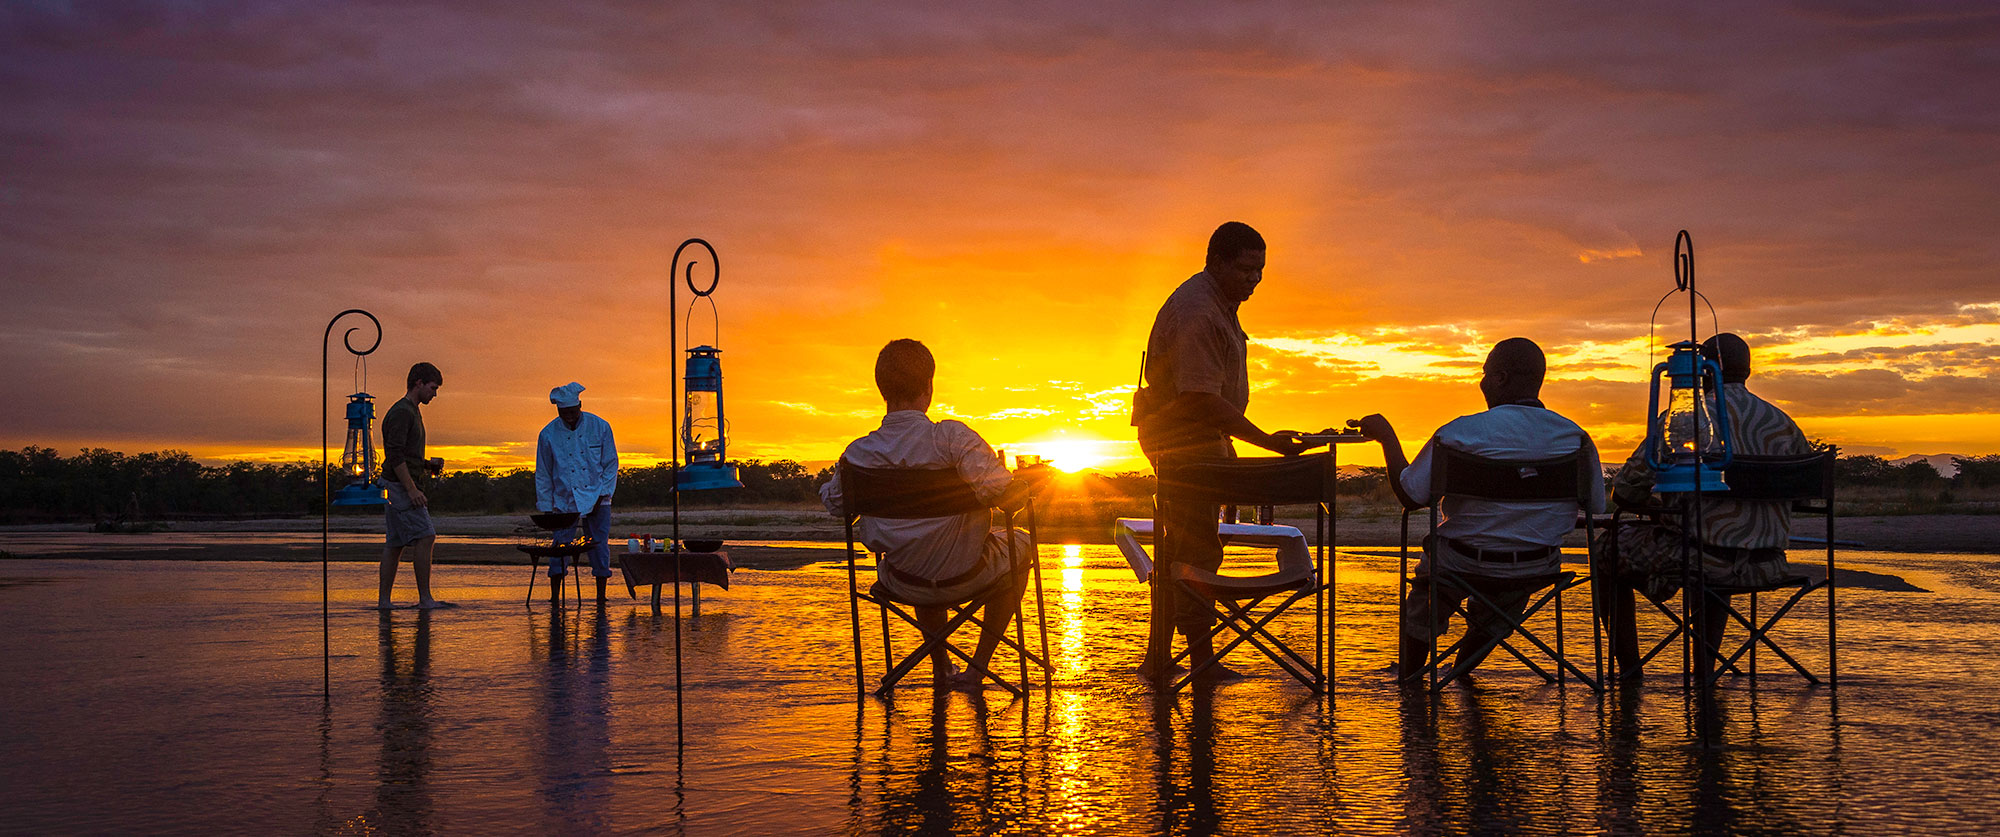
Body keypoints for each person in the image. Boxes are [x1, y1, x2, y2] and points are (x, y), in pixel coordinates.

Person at [1355, 337, 1604, 683]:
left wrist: (1387, 438)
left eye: (1485, 373)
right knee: (1504, 600)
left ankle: (1411, 680)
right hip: (1534, 566)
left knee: (1432, 586)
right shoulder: (1576, 438)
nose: (1481, 382)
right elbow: (1595, 507)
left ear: (1500, 378)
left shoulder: (1461, 433)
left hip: (1461, 562)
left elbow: (1411, 497)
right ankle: (1459, 671)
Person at [1131, 220, 1308, 681]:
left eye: (1261, 271)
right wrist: (1268, 442)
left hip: (1201, 438)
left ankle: (1170, 659)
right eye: (1246, 270)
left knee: (1189, 549)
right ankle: (1194, 662)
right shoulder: (1199, 312)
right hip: (1181, 441)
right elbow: (1200, 399)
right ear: (1216, 262)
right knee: (1195, 550)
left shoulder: (1220, 303)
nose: (1255, 281)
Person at [819, 339, 1047, 692]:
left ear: (882, 390)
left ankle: (941, 668)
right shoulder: (953, 440)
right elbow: (1008, 499)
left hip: (902, 580)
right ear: (928, 387)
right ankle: (977, 669)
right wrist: (1029, 484)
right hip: (967, 576)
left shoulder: (859, 453)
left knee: (920, 550)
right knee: (1023, 543)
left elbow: (834, 503)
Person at [1600, 332, 1814, 681]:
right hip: (1767, 564)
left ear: (1701, 369)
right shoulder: (1783, 424)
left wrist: (1657, 508)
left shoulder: (1686, 421)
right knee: (1710, 544)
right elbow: (1802, 498)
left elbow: (1624, 490)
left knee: (1606, 549)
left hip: (1699, 559)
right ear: (1747, 369)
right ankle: (1705, 672)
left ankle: (1629, 672)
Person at [535, 381, 620, 604]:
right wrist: (546, 506)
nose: (570, 417)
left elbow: (611, 463)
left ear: (580, 406)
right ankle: (555, 597)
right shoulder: (547, 434)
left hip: (597, 496)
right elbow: (544, 472)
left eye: (573, 412)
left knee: (599, 545)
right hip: (564, 498)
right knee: (560, 546)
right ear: (558, 411)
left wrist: (605, 493)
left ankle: (601, 596)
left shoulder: (600, 426)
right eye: (565, 413)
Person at [378, 362, 449, 609]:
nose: (435, 394)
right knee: (427, 536)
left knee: (395, 543)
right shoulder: (402, 412)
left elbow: (406, 455)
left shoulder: (412, 411)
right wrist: (412, 490)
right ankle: (425, 599)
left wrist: (428, 465)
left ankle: (384, 603)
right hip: (399, 487)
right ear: (418, 383)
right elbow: (394, 455)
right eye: (433, 387)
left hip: (399, 484)